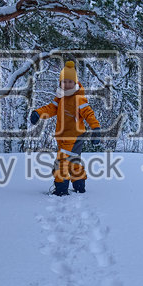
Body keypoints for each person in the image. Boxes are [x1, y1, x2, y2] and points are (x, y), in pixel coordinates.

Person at [28, 59, 100, 196]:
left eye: (70, 82)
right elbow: (51, 108)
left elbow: (88, 113)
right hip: (63, 135)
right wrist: (38, 113)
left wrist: (96, 128)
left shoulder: (79, 98)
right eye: (64, 82)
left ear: (75, 83)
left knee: (61, 161)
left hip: (73, 135)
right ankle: (79, 186)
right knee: (73, 160)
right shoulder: (60, 97)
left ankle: (61, 189)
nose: (67, 85)